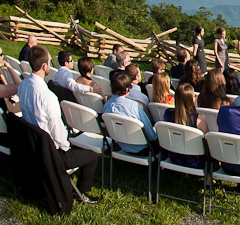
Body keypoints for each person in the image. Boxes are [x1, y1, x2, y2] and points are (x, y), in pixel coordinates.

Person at [19, 45, 98, 202]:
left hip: (32, 144)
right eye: (49, 61)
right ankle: (81, 192)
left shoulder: (23, 85)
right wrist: (66, 146)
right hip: (51, 152)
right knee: (92, 157)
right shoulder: (48, 96)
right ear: (44, 66)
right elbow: (56, 130)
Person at [103, 70, 157, 154]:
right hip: (142, 148)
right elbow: (151, 136)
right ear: (126, 89)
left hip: (121, 144)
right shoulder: (134, 106)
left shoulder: (107, 105)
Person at [162, 83, 207, 168]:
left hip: (174, 156)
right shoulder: (199, 120)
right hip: (195, 161)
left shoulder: (167, 114)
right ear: (191, 100)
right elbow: (206, 144)